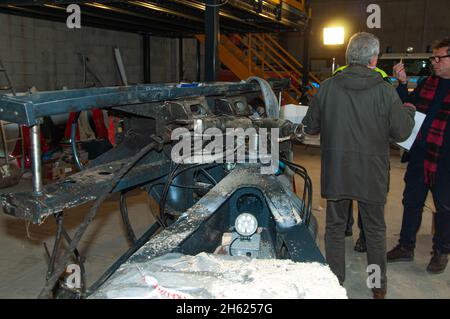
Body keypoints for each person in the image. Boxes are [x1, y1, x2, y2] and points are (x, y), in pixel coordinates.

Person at [302, 32, 415, 299]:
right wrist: (408, 110)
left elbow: (311, 126)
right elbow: (401, 133)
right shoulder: (386, 91)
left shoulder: (327, 87)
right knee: (375, 230)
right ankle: (377, 287)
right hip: (371, 173)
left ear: (349, 57)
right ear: (373, 59)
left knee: (334, 227)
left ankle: (334, 283)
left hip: (337, 170)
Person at [387, 38, 450, 274]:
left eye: (439, 57)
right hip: (420, 156)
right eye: (433, 57)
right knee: (411, 202)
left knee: (445, 208)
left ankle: (441, 251)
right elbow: (408, 104)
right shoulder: (427, 83)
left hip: (445, 161)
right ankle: (405, 246)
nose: (434, 62)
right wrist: (402, 84)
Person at [334, 65, 393, 253]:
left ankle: (362, 235)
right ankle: (349, 227)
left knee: (359, 195)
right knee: (353, 193)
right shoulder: (380, 78)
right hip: (356, 146)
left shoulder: (382, 77)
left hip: (365, 148)